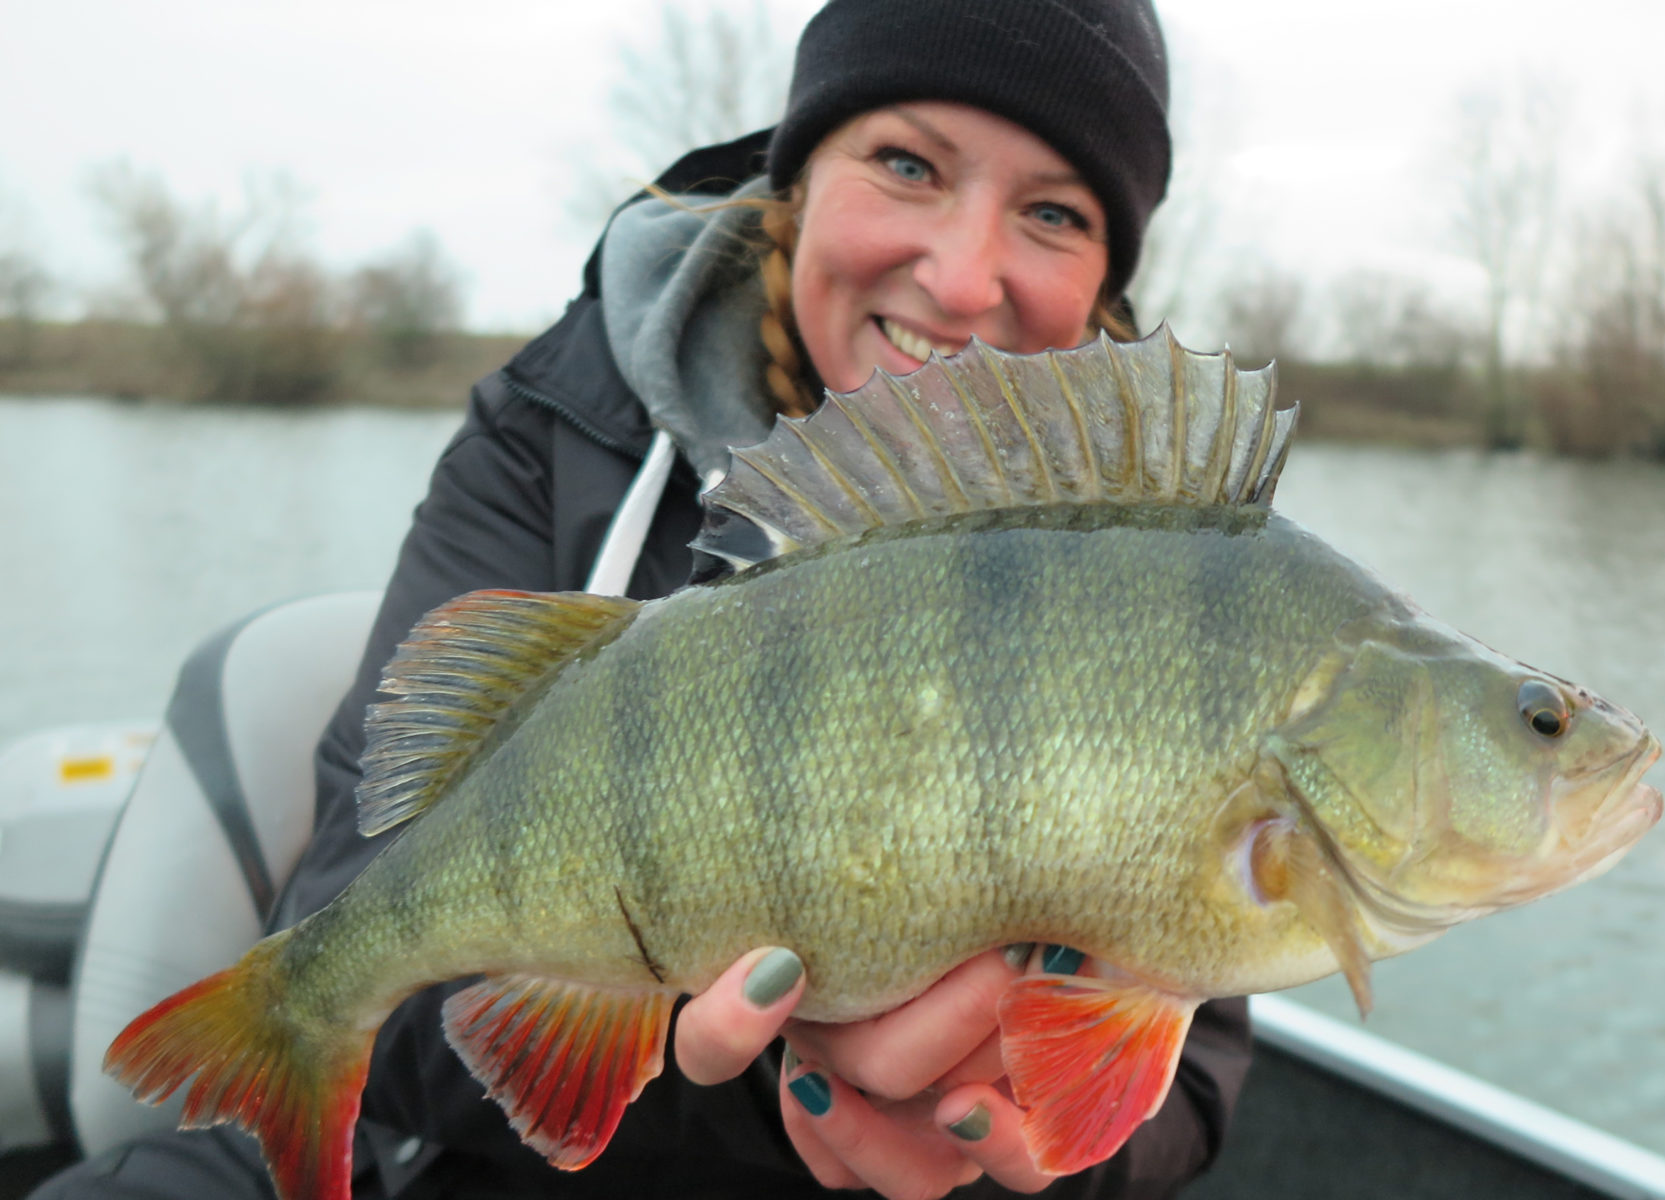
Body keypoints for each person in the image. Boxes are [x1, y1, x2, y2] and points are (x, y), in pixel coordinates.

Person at [31, 2, 1251, 1197]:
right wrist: (773, 1080)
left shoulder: (1164, 575)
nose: (961, 272)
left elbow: (1191, 1088)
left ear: (1103, 279)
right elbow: (373, 950)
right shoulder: (555, 433)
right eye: (905, 162)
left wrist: (995, 1138)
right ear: (795, 180)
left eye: (1051, 211)